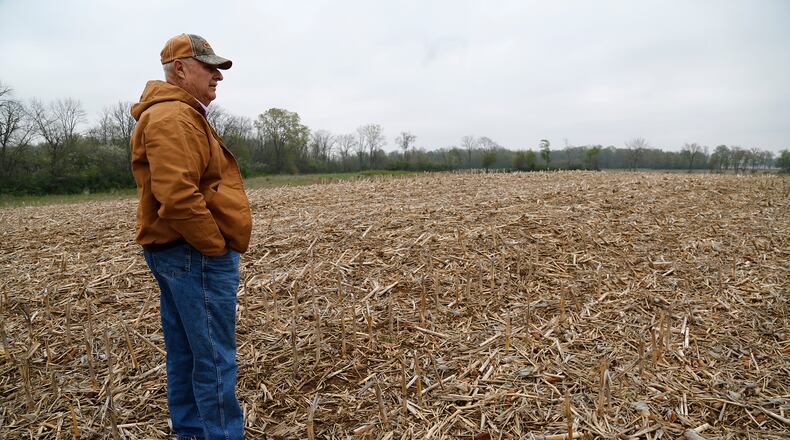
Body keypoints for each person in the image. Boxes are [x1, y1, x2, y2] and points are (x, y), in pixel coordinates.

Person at [130, 33, 252, 440]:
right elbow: (179, 197)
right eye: (208, 66)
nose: (217, 75)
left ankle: (193, 433)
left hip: (178, 253)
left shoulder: (178, 113)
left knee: (187, 354)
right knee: (214, 359)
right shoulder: (173, 117)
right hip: (192, 254)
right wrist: (215, 247)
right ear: (179, 68)